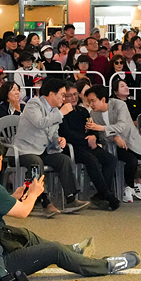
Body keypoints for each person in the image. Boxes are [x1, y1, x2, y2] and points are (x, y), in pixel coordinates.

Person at [0, 137, 138, 276]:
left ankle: (72, 250)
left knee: (25, 234)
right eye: (1, 161)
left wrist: (12, 198)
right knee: (54, 250)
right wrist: (34, 194)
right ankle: (106, 266)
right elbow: (23, 212)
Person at [12, 78, 89, 214]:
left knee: (63, 159)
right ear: (51, 94)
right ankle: (44, 201)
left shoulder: (55, 110)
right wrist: (61, 113)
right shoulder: (33, 104)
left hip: (43, 149)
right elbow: (40, 122)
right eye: (62, 95)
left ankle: (71, 198)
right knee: (36, 163)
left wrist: (58, 140)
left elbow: (53, 132)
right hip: (25, 150)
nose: (64, 99)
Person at [84, 85, 141, 200]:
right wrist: (115, 137)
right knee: (131, 161)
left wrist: (100, 127)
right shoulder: (93, 114)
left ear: (103, 99)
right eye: (89, 101)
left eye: (93, 101)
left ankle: (139, 182)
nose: (91, 104)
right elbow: (101, 136)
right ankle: (128, 188)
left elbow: (122, 125)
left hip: (132, 140)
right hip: (115, 145)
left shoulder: (119, 105)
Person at [58, 82, 119, 210]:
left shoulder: (83, 111)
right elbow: (67, 134)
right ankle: (107, 195)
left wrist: (94, 137)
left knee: (110, 159)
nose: (74, 97)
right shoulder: (61, 113)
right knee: (92, 160)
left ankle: (101, 194)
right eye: (70, 95)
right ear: (64, 97)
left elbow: (91, 128)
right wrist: (87, 141)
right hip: (71, 147)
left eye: (76, 94)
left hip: (87, 144)